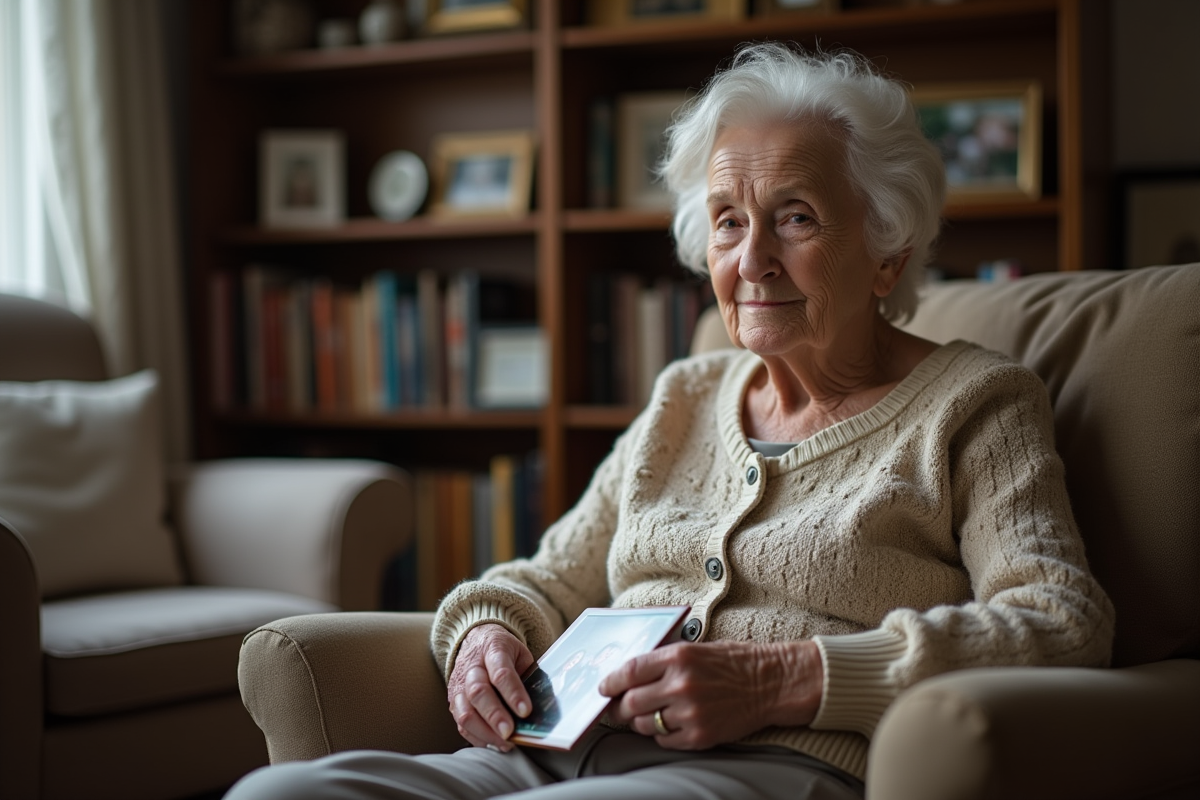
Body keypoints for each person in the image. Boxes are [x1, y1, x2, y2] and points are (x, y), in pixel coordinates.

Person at [225, 43, 1115, 800]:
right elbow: (553, 578)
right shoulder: (685, 396)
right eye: (728, 223)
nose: (752, 258)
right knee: (279, 793)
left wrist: (785, 680)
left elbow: (1062, 620)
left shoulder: (975, 403)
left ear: (888, 253)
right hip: (558, 754)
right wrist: (484, 634)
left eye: (795, 217)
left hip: (768, 769)